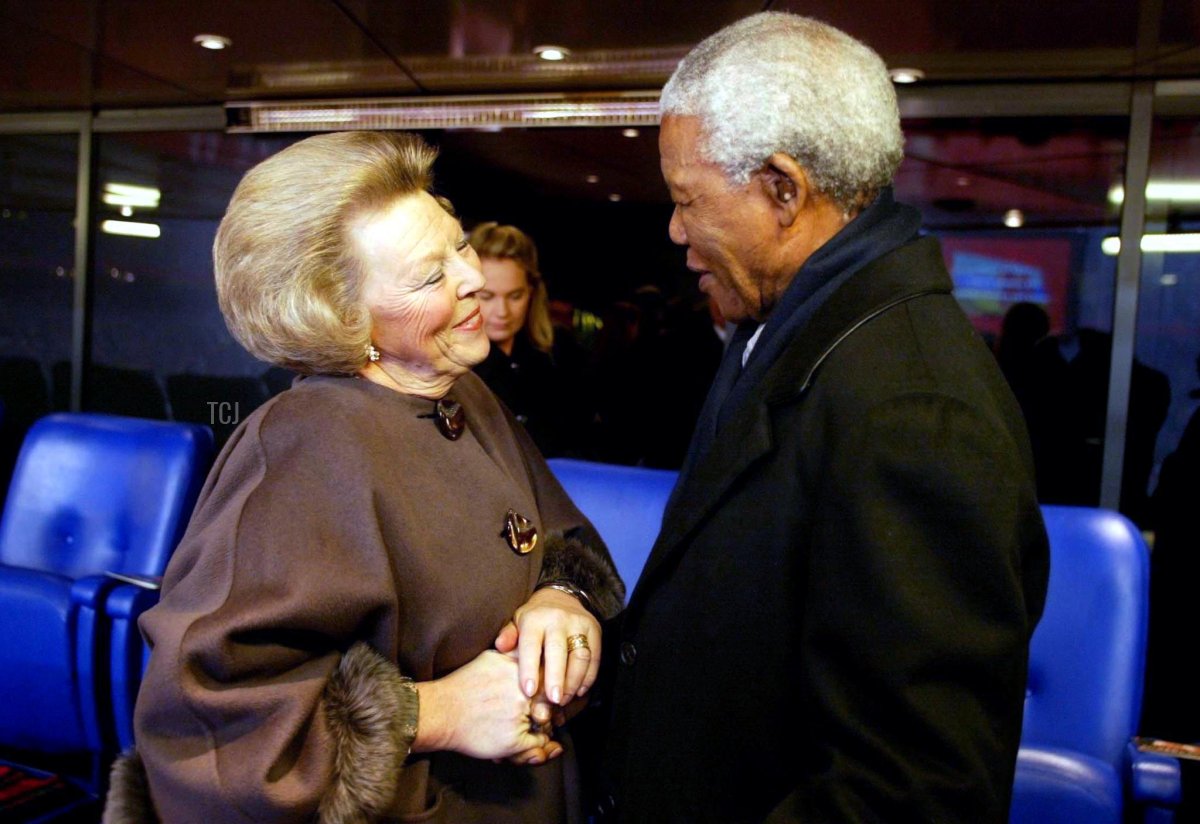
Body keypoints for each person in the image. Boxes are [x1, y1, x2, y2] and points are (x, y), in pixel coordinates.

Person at [601, 13, 1050, 823]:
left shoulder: (916, 410)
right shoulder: (782, 328)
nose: (674, 232)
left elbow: (914, 791)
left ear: (783, 189)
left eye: (686, 201)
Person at [101, 131, 623, 824]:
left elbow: (559, 536)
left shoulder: (465, 393)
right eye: (430, 276)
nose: (471, 279)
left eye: (457, 245)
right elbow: (207, 726)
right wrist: (430, 713)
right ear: (343, 317)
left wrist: (560, 597)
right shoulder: (299, 443)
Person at [468, 221, 580, 456]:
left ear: (532, 291)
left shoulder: (561, 351)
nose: (502, 311)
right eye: (487, 296)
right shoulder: (451, 366)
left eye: (515, 296)